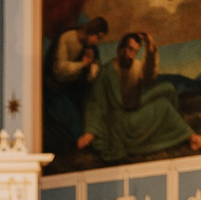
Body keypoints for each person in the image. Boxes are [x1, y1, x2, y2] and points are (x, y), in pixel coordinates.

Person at [79, 30, 201, 162]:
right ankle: (193, 138)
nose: (132, 55)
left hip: (135, 106)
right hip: (122, 121)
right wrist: (90, 132)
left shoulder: (135, 66)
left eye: (135, 51)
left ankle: (173, 130)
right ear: (121, 49)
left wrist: (150, 49)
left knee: (168, 89)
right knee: (163, 106)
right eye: (130, 50)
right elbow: (94, 103)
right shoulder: (106, 73)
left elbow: (149, 79)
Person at [42, 16, 107, 152]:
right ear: (91, 31)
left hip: (74, 92)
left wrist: (91, 64)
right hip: (55, 90)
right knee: (72, 122)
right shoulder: (66, 38)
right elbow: (58, 69)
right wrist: (82, 64)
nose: (97, 42)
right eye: (97, 37)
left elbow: (94, 74)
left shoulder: (90, 48)